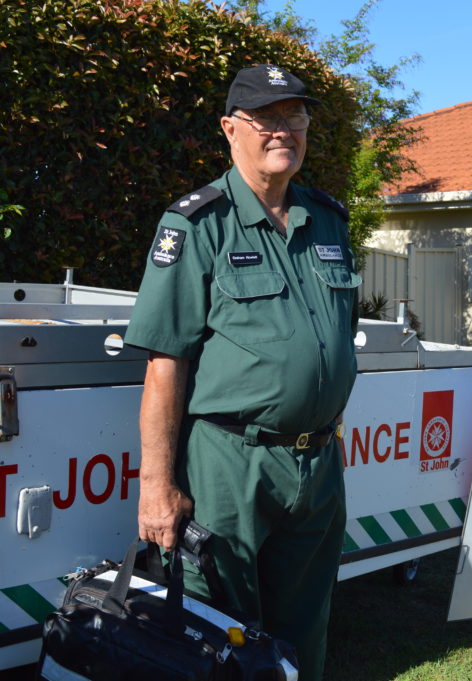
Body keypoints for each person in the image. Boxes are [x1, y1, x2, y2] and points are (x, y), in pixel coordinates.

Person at [124, 64, 361, 680]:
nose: (284, 129)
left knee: (304, 632)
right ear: (231, 129)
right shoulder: (197, 223)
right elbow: (165, 361)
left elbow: (336, 339)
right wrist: (156, 485)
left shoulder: (328, 220)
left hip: (316, 465)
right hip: (231, 466)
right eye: (266, 117)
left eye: (295, 115)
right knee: (220, 635)